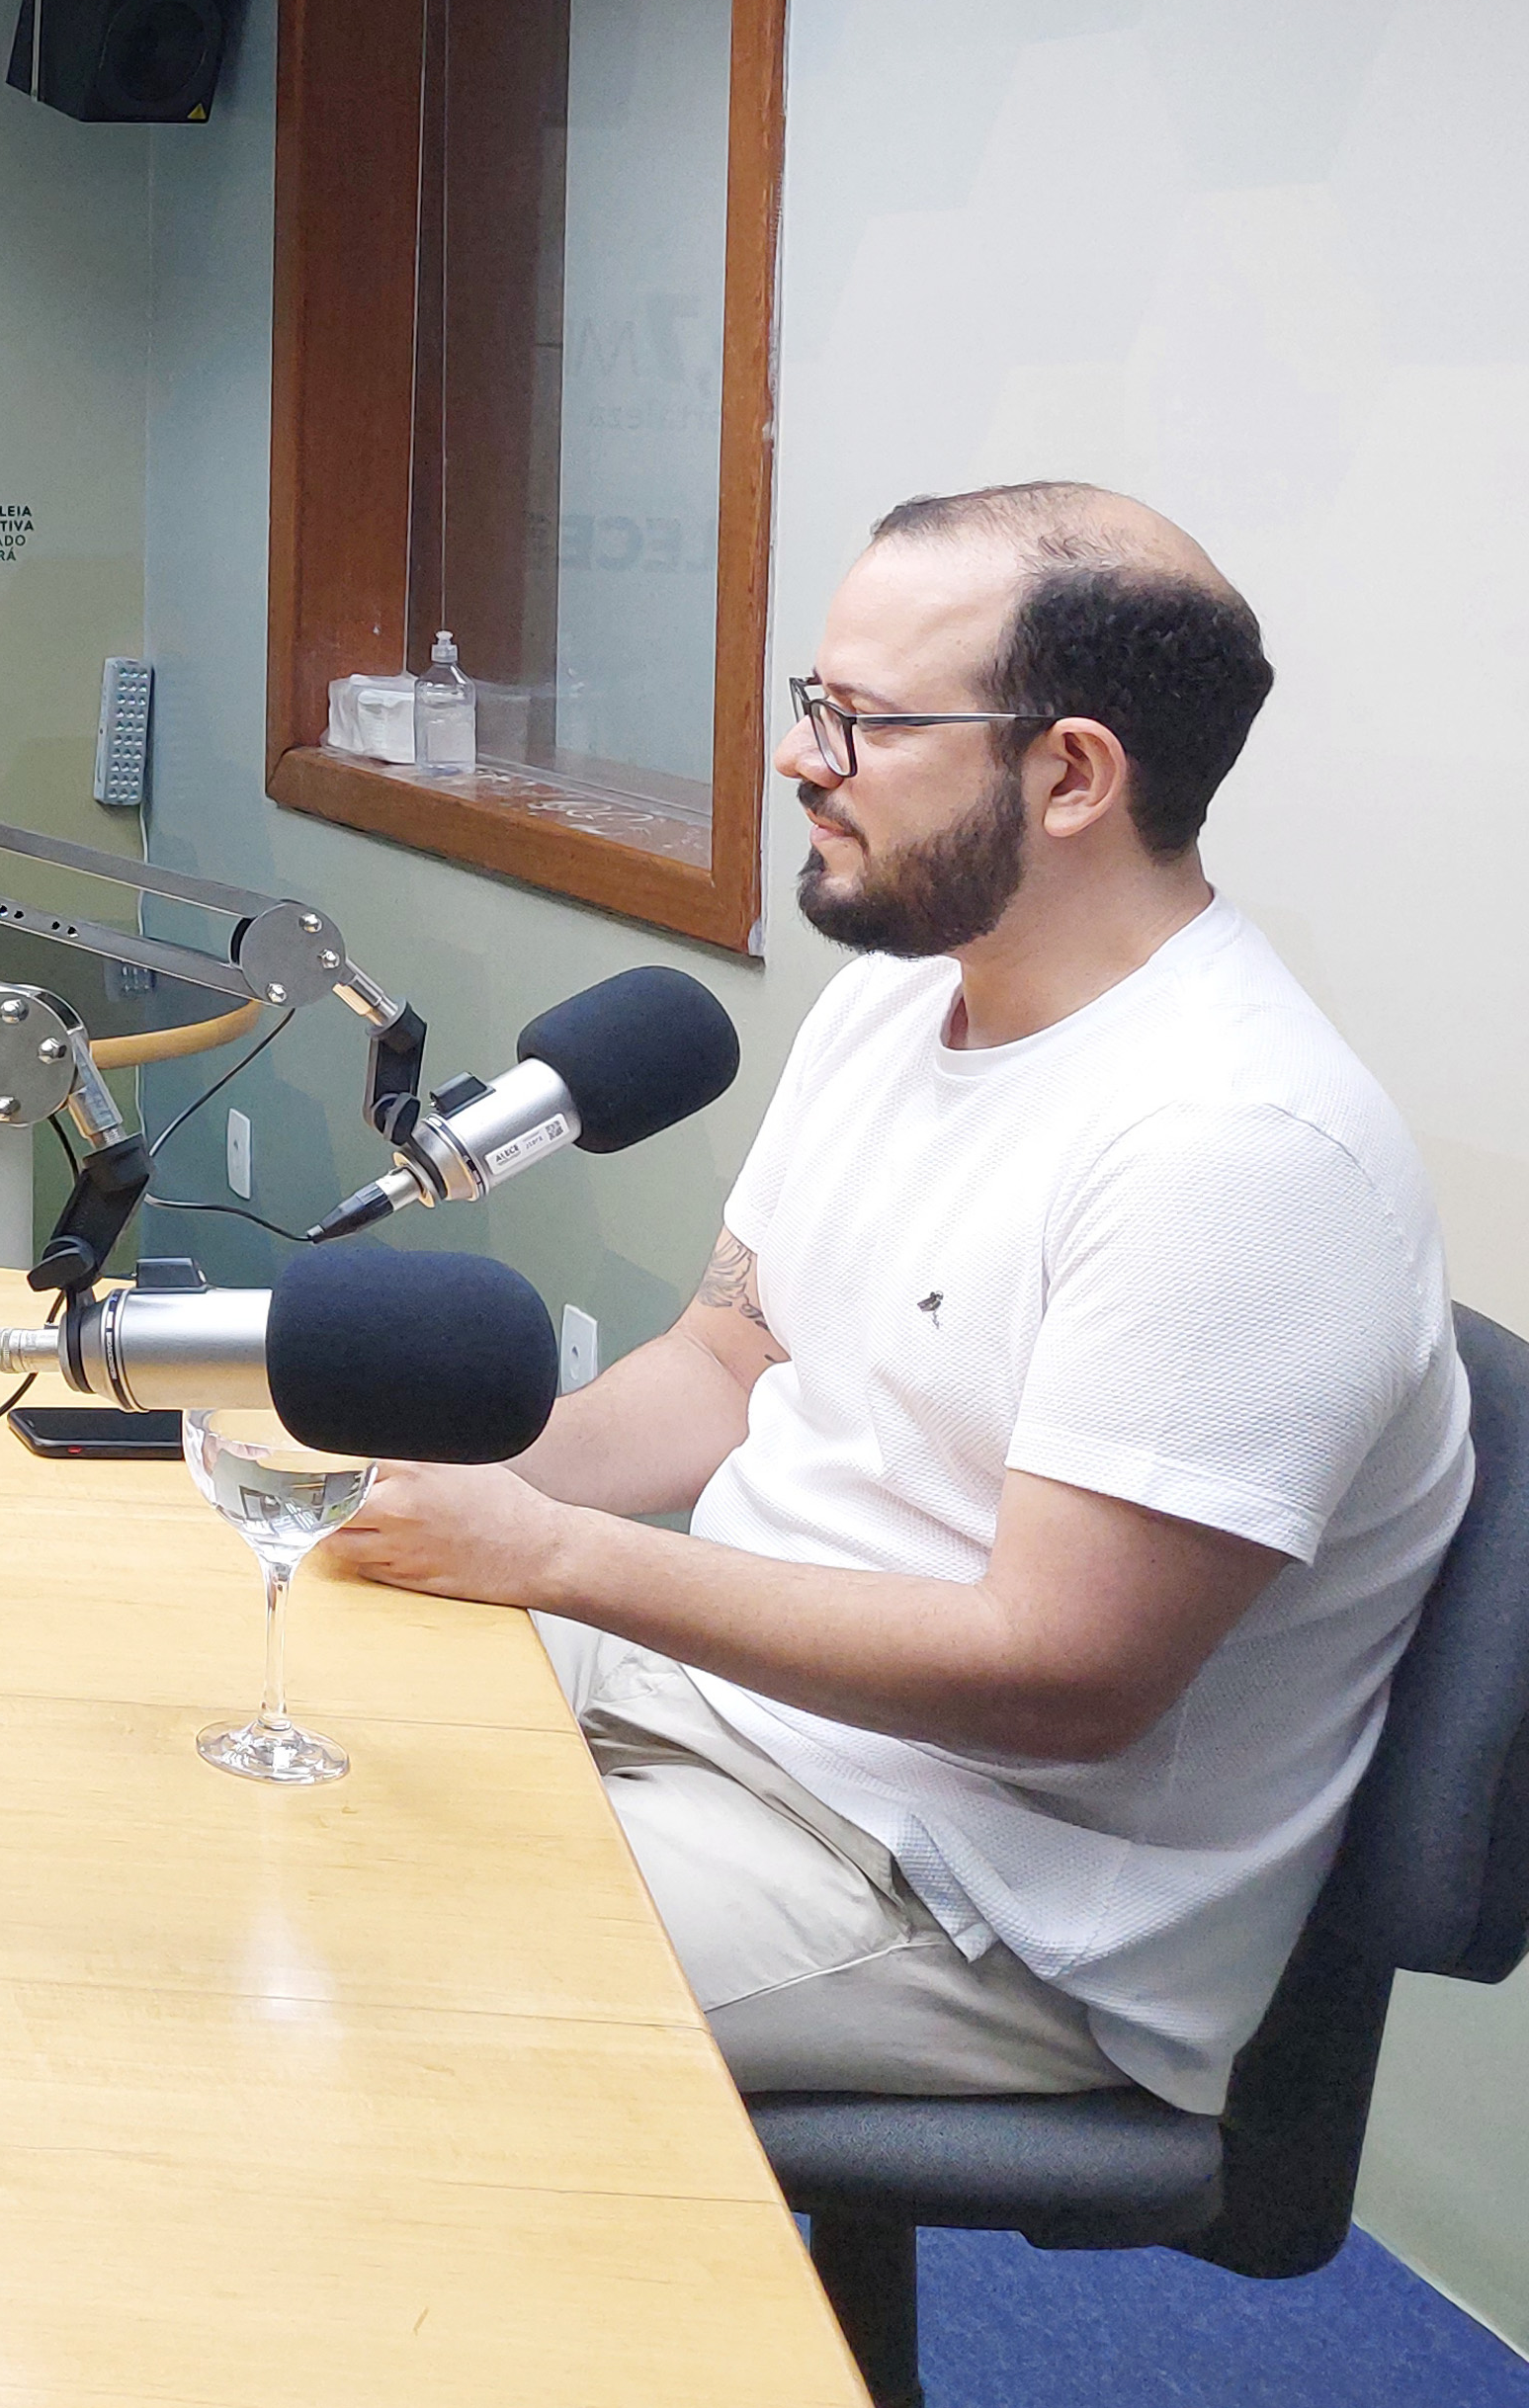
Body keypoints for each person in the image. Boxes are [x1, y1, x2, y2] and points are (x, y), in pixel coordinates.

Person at [337, 483, 1468, 2116]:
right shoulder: (898, 1003)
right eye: (815, 702)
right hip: (721, 1704)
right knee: (258, 1698)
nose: (799, 759)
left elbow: (1057, 1677)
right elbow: (724, 1363)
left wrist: (556, 1557)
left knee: (335, 1965)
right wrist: (429, 1491)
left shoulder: (1240, 1150)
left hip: (971, 1894)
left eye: (860, 721)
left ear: (1069, 774)